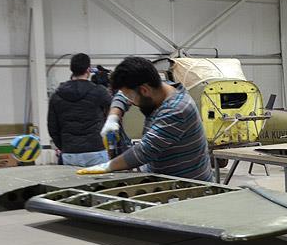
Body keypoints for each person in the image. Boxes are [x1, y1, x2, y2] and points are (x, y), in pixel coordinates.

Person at [77, 56, 213, 181]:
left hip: (190, 187)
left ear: (144, 90)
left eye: (131, 97)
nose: (131, 101)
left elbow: (145, 151)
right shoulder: (160, 87)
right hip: (166, 178)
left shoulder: (177, 109)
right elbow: (122, 96)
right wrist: (113, 118)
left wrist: (108, 166)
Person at [48, 53, 112, 166]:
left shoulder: (56, 95)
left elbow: (52, 127)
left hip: (69, 152)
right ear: (88, 69)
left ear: (71, 69)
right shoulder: (99, 91)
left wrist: (64, 146)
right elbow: (115, 109)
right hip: (95, 150)